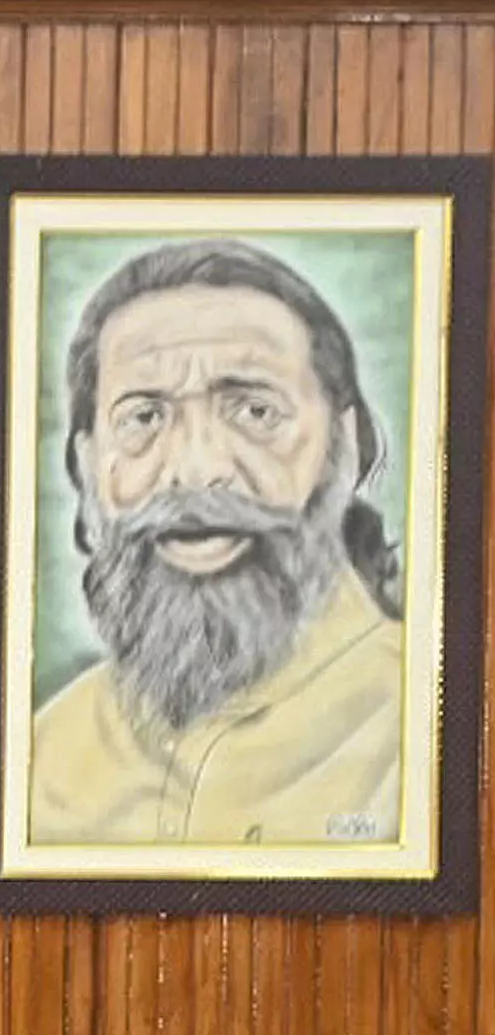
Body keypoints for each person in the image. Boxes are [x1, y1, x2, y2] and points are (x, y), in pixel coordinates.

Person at [23, 238, 410, 849]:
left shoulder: (427, 730)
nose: (197, 470)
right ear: (87, 464)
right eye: (144, 417)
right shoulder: (41, 756)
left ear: (349, 446)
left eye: (255, 411)